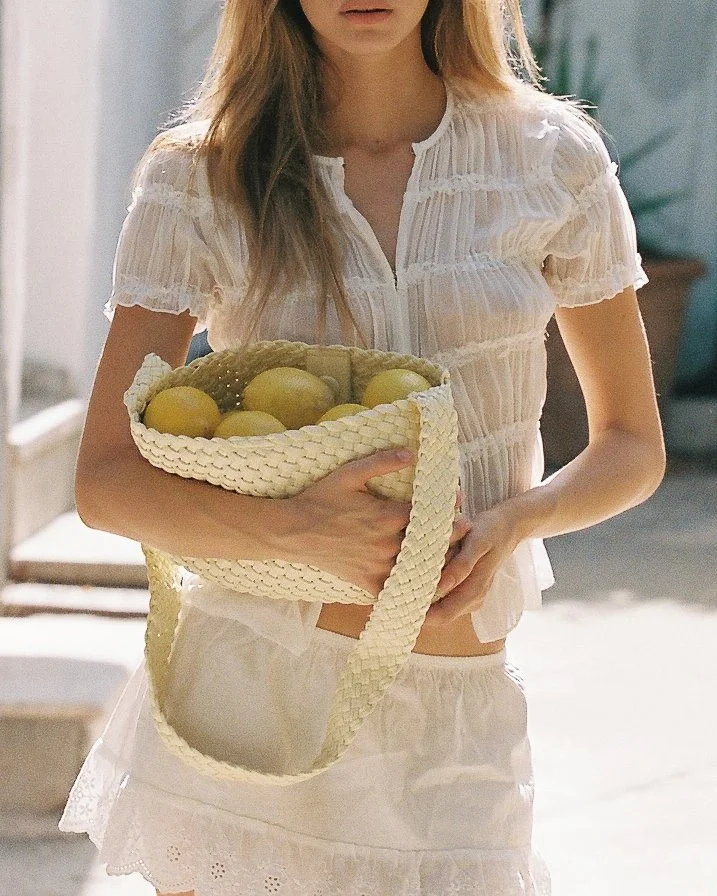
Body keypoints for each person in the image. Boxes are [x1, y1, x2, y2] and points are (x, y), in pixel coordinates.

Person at [59, 0, 666, 893]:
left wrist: (515, 520)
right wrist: (300, 531)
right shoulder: (202, 174)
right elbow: (107, 482)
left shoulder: (550, 159)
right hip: (247, 698)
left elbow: (631, 446)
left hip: (457, 719)